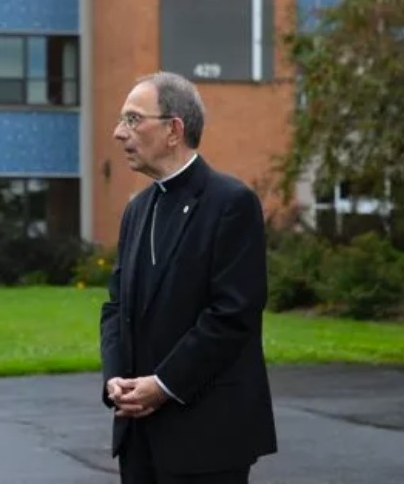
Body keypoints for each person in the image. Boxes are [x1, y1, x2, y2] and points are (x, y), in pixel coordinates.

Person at [99, 72, 277, 483]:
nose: (118, 133)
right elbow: (116, 307)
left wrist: (162, 385)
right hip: (139, 434)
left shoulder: (231, 203)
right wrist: (116, 380)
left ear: (173, 129)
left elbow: (233, 315)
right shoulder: (137, 210)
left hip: (208, 436)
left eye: (132, 119)